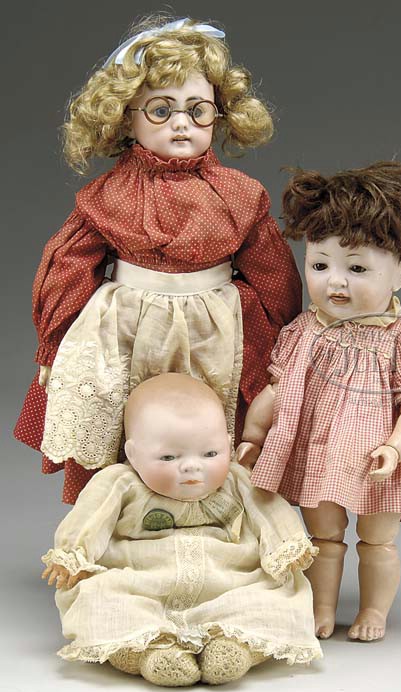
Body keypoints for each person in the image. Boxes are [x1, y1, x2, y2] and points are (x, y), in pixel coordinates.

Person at [14, 16, 301, 504]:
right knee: (119, 413)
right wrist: (54, 342)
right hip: (127, 326)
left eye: (198, 110)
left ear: (220, 115)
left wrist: (285, 345)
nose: (181, 123)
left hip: (216, 326)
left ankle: (214, 512)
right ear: (126, 118)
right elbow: (68, 267)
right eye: (161, 110)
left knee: (216, 416)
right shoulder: (107, 195)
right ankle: (119, 513)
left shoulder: (240, 194)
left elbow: (273, 274)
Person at [236, 162, 401, 641]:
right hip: (319, 453)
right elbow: (276, 391)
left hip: (379, 460)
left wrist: (396, 447)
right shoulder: (303, 331)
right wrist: (253, 437)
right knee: (323, 537)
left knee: (377, 539)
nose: (335, 282)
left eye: (356, 268)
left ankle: (373, 610)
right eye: (320, 265)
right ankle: (322, 608)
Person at [42, 374, 322, 687]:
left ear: (228, 444)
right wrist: (73, 554)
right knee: (100, 599)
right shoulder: (121, 483)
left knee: (275, 599)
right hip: (140, 582)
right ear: (133, 454)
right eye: (168, 457)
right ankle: (149, 653)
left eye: (210, 454)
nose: (191, 466)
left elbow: (269, 511)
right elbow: (90, 518)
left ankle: (235, 646)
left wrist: (286, 545)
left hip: (231, 581)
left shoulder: (237, 480)